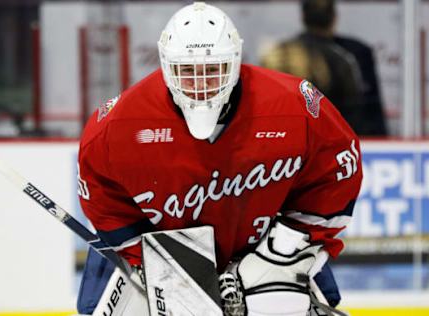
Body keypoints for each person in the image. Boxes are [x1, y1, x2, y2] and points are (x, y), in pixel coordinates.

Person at [77, 2, 362, 315]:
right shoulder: (119, 125)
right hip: (159, 255)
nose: (201, 85)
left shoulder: (292, 107)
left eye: (212, 70)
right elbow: (104, 198)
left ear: (236, 62)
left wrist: (280, 253)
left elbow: (336, 172)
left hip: (262, 249)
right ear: (166, 65)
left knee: (275, 300)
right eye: (187, 71)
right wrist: (152, 261)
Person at [261, 0, 385, 136]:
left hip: (283, 137)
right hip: (330, 139)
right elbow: (356, 115)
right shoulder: (345, 57)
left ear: (303, 17)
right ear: (334, 17)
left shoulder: (279, 54)